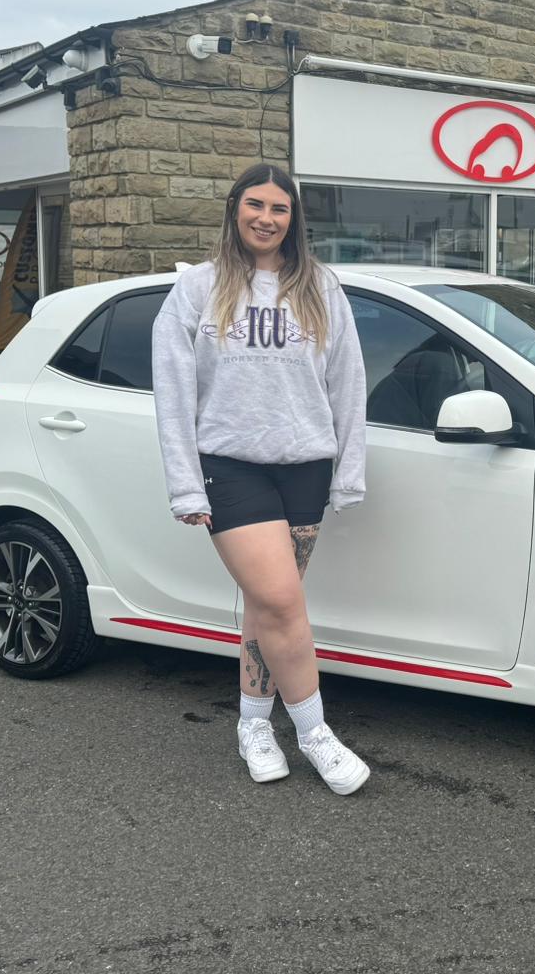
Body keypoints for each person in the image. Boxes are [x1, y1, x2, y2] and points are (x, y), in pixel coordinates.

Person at [151, 163, 370, 794]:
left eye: (279, 208)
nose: (266, 218)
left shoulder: (321, 288)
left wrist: (347, 471)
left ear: (293, 219)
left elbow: (348, 385)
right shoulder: (198, 288)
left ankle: (253, 723)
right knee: (280, 600)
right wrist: (185, 486)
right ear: (234, 209)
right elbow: (173, 392)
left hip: (304, 464)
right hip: (230, 464)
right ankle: (316, 733)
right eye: (255, 204)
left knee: (267, 610)